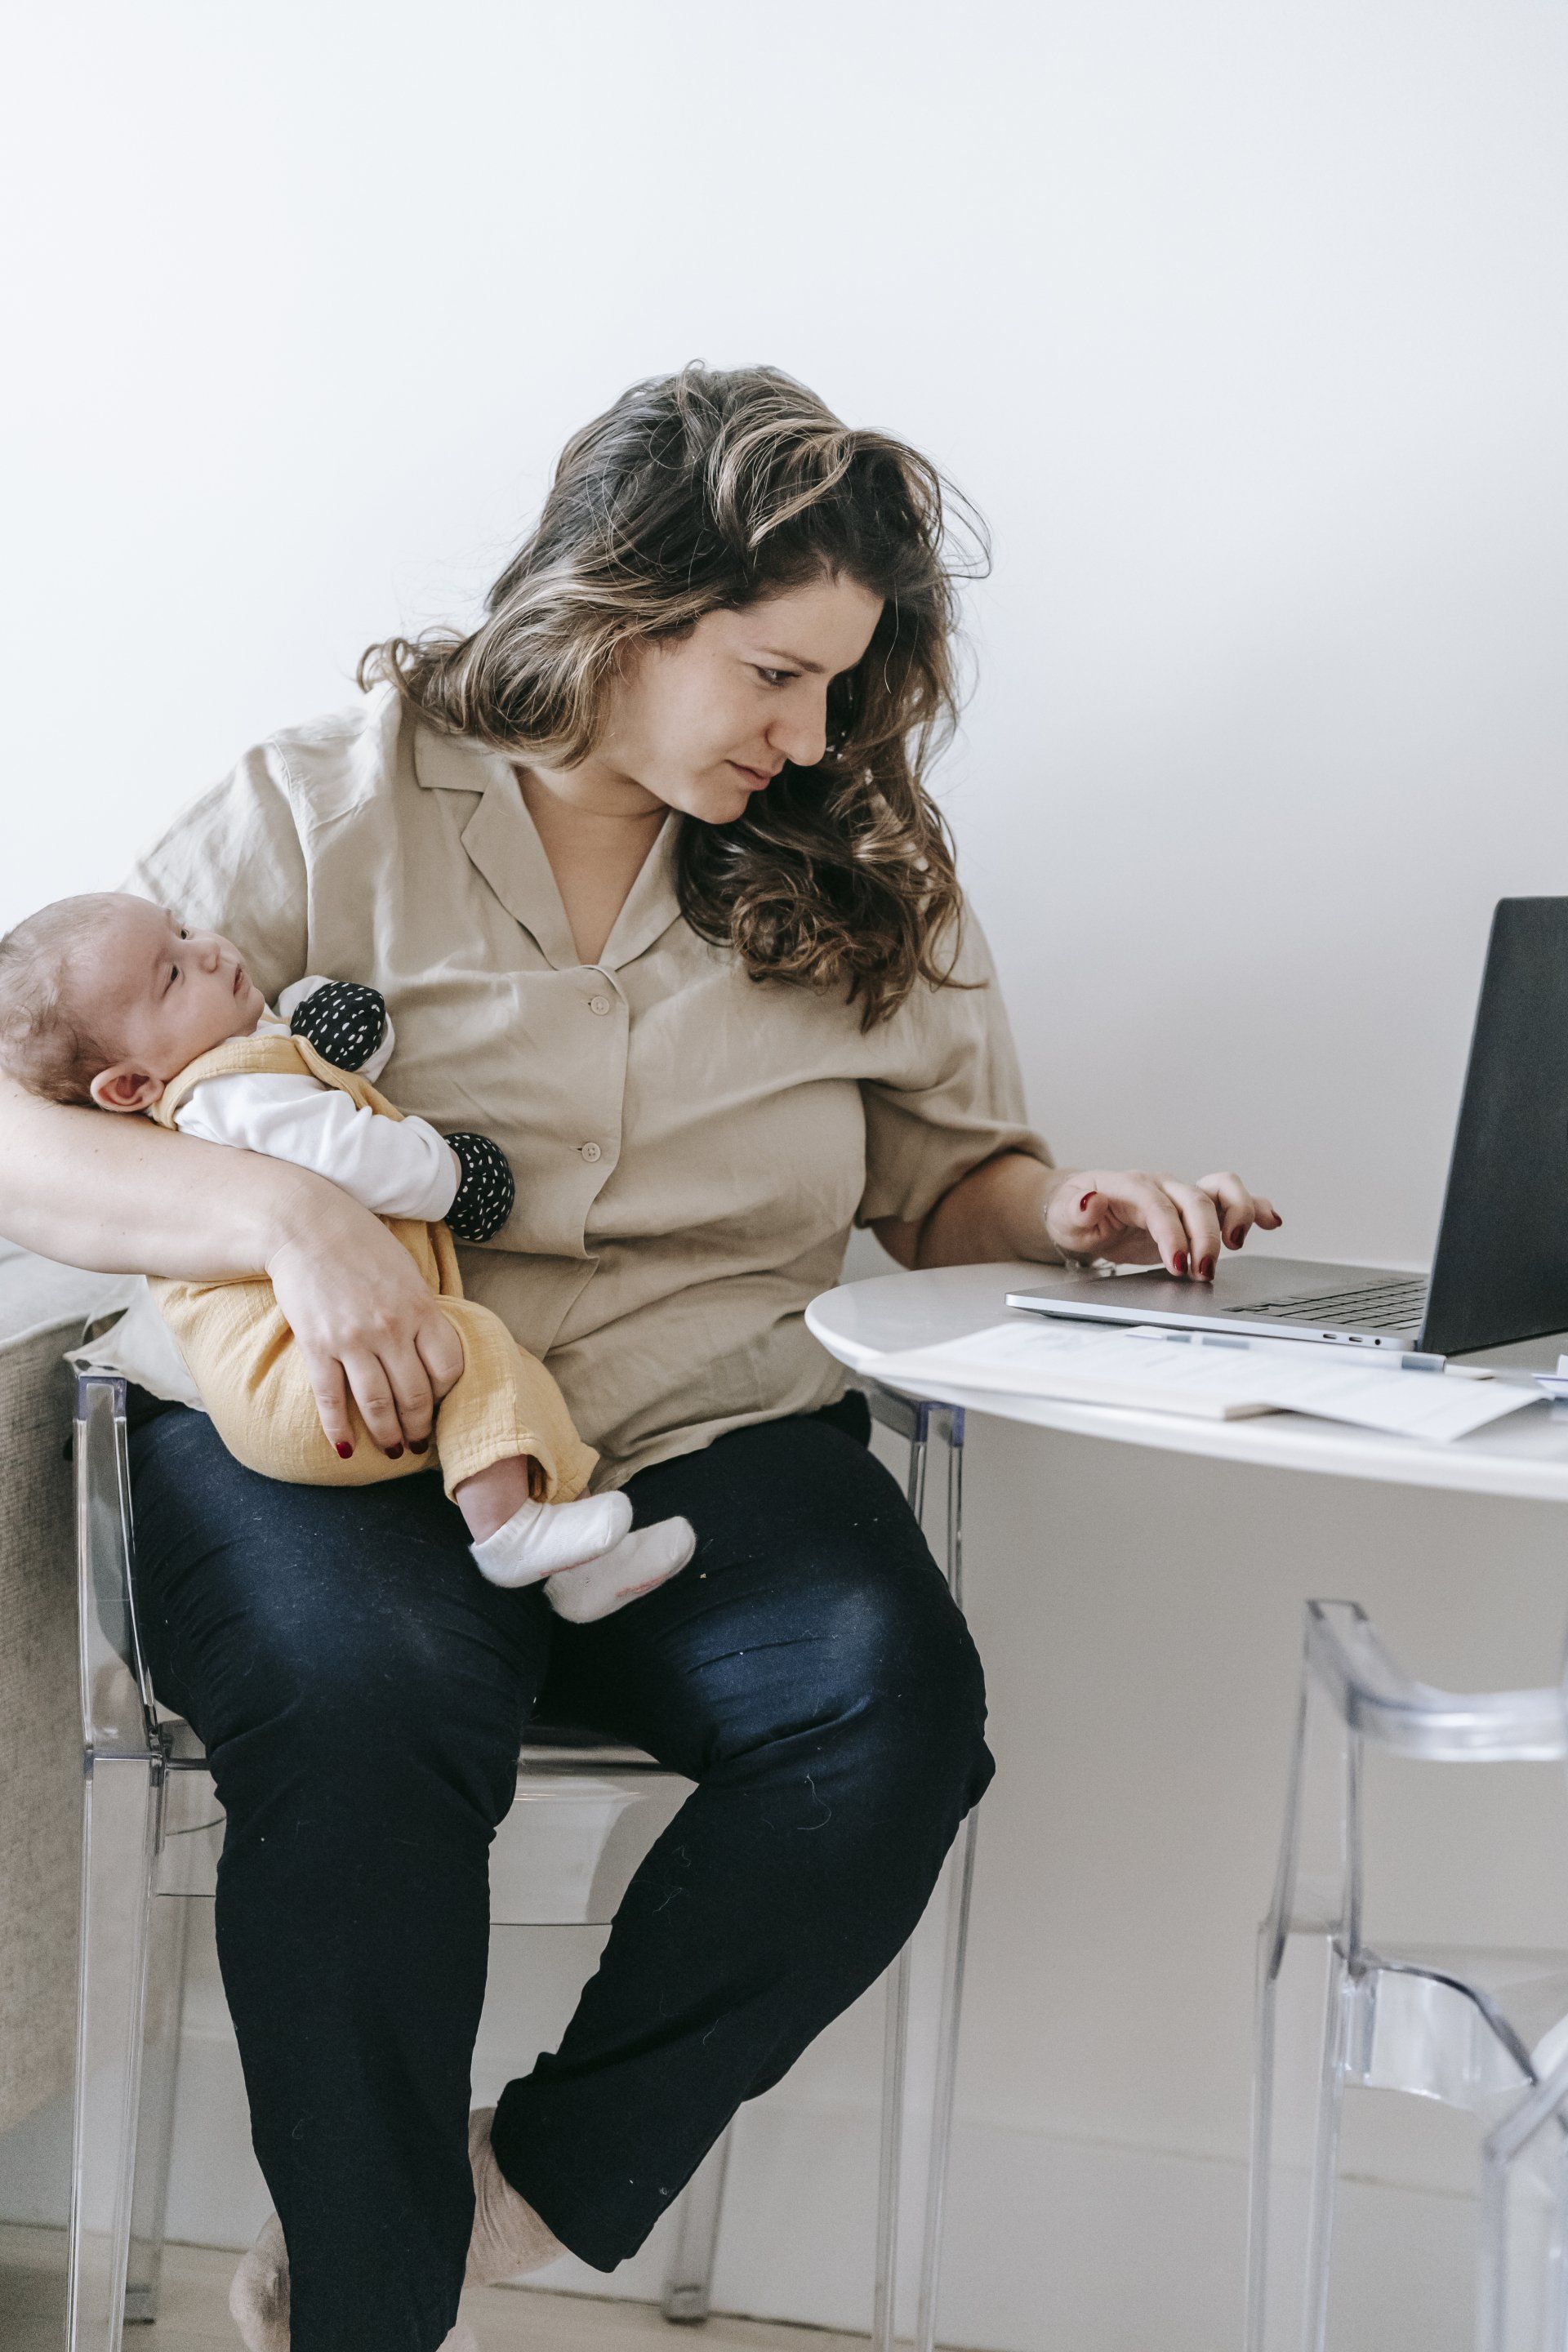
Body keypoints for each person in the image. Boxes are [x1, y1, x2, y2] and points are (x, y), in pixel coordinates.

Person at [0, 362, 1281, 2352]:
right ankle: (367, 2308)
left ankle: (513, 2191)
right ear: (618, 611)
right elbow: (29, 1118)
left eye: (842, 683)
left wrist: (1067, 1209)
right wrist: (291, 1217)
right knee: (358, 1699)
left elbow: (949, 1184)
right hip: (343, 1440)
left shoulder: (861, 858)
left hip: (702, 1433)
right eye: (774, 673)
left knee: (891, 1718)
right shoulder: (316, 803)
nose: (813, 729)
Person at [0, 899, 696, 1615]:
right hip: (298, 1383)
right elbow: (352, 1152)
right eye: (171, 975)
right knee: (479, 1350)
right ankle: (511, 1532)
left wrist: (318, 1015)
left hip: (308, 1384)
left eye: (183, 929)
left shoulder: (243, 1061)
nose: (205, 950)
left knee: (490, 1366)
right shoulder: (226, 1095)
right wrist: (448, 1174)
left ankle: (577, 1569)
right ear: (129, 1087)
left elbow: (317, 1073)